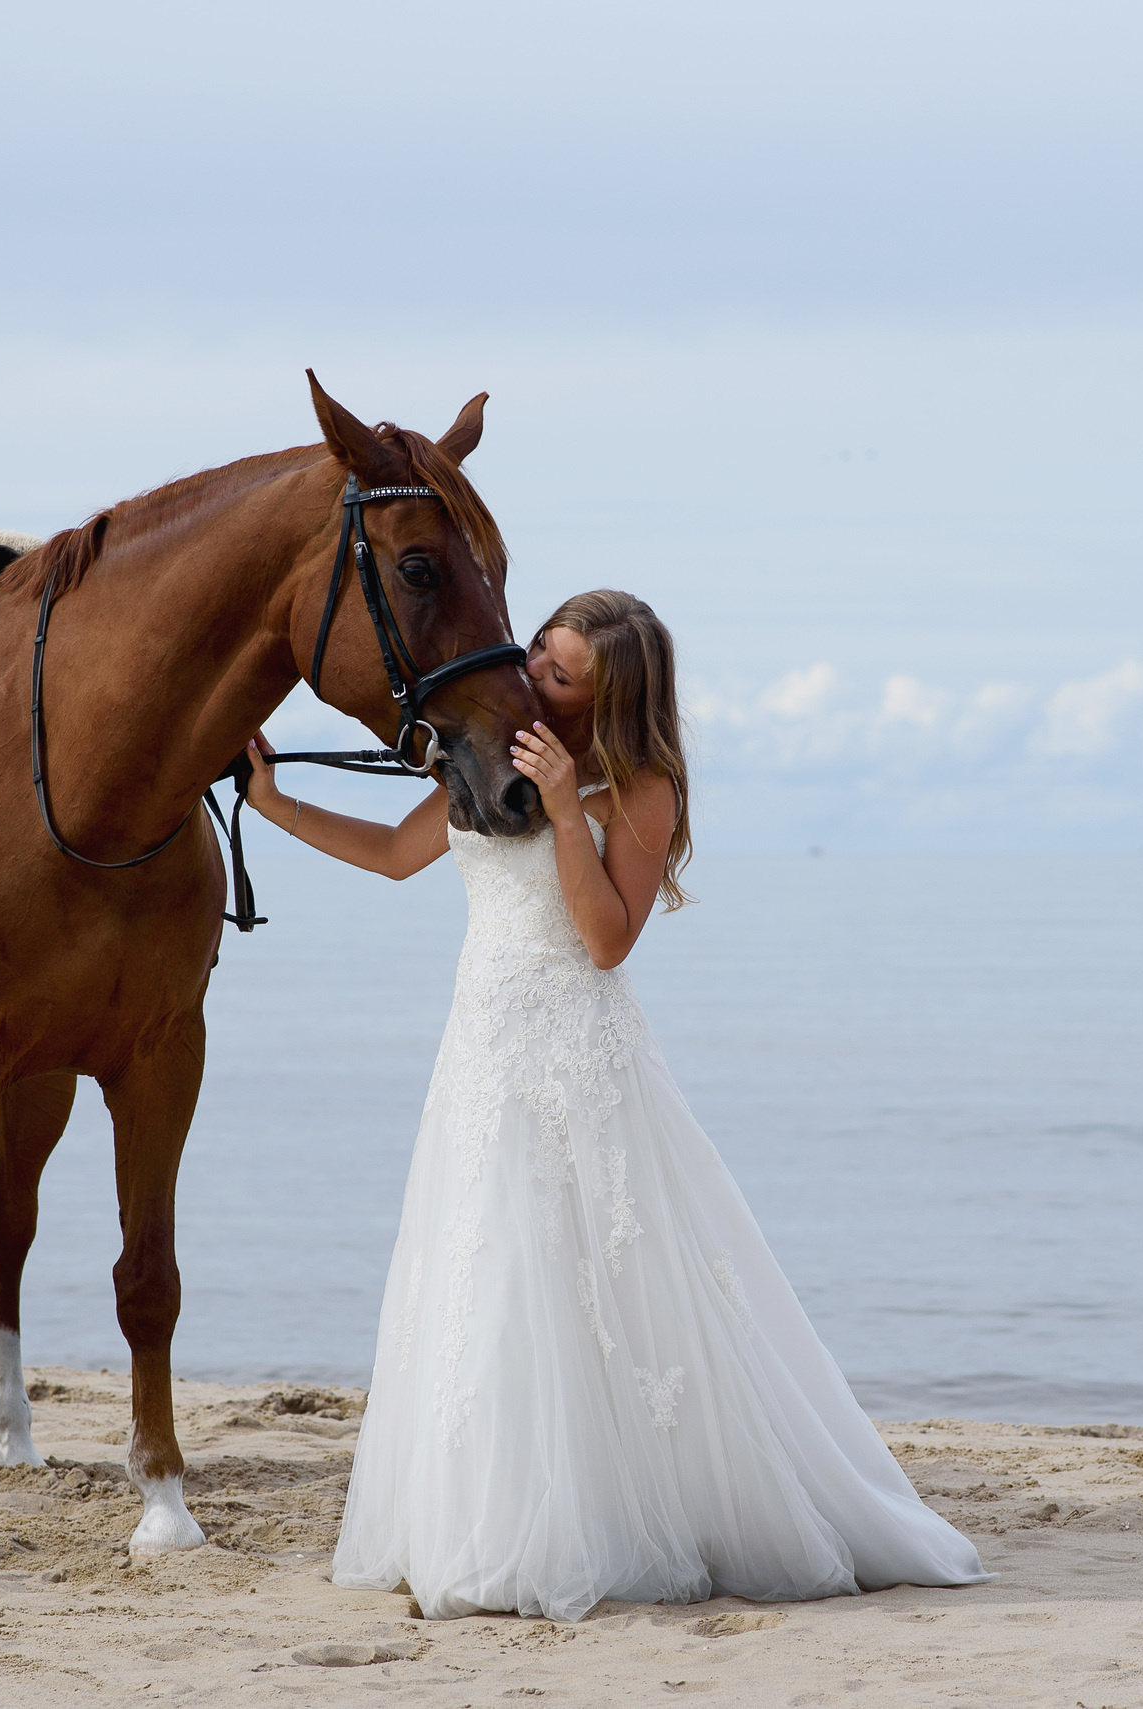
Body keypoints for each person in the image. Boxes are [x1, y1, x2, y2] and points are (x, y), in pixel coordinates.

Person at [243, 590, 988, 1622]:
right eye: (536, 654)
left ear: (610, 697)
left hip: (573, 1055)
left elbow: (605, 941)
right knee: (481, 1273)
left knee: (587, 1280)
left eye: (558, 675)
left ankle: (598, 1519)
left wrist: (560, 807)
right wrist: (268, 798)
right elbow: (391, 852)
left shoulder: (640, 789)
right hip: (479, 1052)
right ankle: (477, 1516)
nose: (529, 680)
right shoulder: (493, 747)